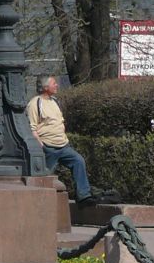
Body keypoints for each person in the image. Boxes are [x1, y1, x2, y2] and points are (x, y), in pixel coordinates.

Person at [28, 75, 103, 206]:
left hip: (63, 146)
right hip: (48, 147)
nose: (57, 85)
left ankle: (84, 196)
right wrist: (41, 145)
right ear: (45, 87)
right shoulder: (35, 103)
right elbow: (32, 128)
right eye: (54, 83)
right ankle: (38, 203)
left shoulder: (55, 101)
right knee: (44, 176)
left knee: (78, 161)